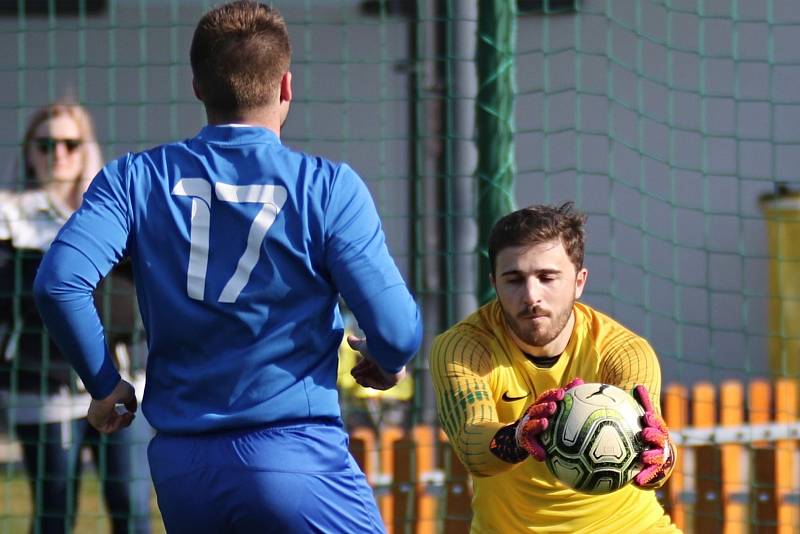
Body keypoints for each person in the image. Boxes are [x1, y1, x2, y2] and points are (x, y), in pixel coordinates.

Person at [32, 2, 422, 533]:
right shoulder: (328, 187)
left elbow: (59, 285)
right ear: (286, 87)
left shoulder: (133, 178)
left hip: (183, 472)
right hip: (296, 460)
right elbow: (399, 330)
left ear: (197, 86)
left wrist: (105, 385)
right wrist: (386, 356)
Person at [430, 202, 678, 533]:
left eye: (547, 277)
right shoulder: (463, 348)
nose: (531, 295)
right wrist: (518, 436)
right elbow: (472, 446)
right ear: (494, 282)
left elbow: (654, 455)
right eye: (514, 279)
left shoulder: (624, 351)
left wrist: (661, 457)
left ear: (579, 281)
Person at [0, 101, 151, 534]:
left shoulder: (113, 210)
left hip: (121, 379)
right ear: (29, 152)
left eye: (71, 143)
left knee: (131, 506)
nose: (59, 154)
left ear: (88, 149)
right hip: (43, 387)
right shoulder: (10, 216)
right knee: (54, 510)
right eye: (46, 144)